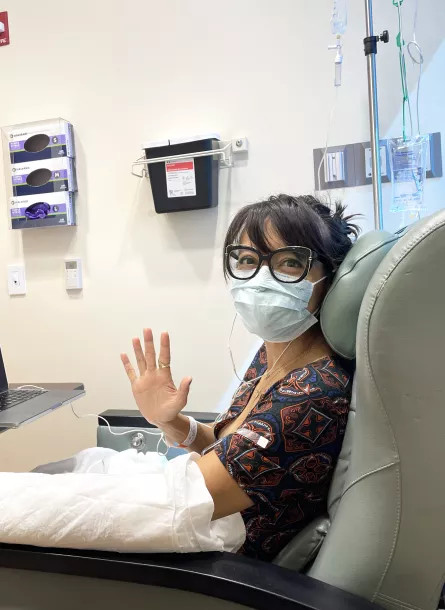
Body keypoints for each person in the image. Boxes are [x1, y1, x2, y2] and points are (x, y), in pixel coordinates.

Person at [121, 194, 359, 562]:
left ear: (330, 278)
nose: (262, 279)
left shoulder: (312, 395)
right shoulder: (273, 354)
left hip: (222, 573)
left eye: (290, 263)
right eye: (248, 260)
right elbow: (231, 455)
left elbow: (179, 504)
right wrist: (171, 422)